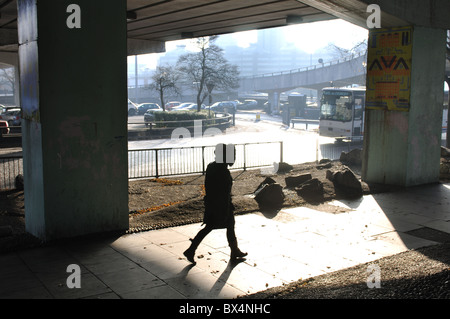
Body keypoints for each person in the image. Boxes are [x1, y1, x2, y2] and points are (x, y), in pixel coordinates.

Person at [183, 143, 247, 264]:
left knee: (228, 225)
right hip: (220, 205)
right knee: (212, 227)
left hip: (216, 203)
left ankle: (235, 250)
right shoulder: (222, 171)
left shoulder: (212, 167)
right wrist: (225, 206)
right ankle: (191, 250)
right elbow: (222, 191)